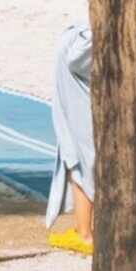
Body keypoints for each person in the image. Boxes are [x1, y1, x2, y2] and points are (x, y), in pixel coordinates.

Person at [47, 19, 94, 251]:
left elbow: (77, 60)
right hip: (76, 92)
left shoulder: (91, 35)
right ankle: (82, 228)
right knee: (78, 155)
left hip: (80, 97)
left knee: (79, 157)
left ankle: (85, 233)